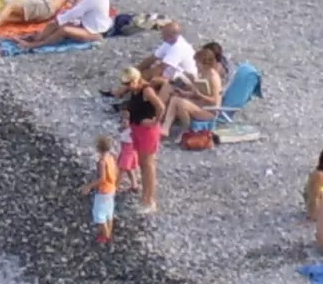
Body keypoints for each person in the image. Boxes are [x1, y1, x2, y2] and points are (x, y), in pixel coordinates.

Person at [16, 0, 114, 52]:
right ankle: (36, 38)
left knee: (64, 29)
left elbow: (78, 11)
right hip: (89, 25)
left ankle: (38, 44)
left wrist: (61, 18)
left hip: (95, 32)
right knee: (57, 24)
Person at [120, 67, 165, 212]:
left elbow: (160, 106)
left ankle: (149, 200)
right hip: (137, 129)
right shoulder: (135, 91)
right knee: (142, 164)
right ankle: (145, 198)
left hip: (147, 131)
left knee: (148, 165)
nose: (127, 87)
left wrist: (154, 121)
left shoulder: (146, 90)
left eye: (128, 83)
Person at [159, 44, 224, 136]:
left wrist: (198, 95)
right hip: (201, 104)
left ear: (204, 63)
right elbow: (199, 93)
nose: (196, 66)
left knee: (179, 102)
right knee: (175, 98)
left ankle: (177, 129)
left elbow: (215, 101)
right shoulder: (204, 74)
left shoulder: (213, 77)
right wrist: (185, 94)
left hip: (210, 110)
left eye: (198, 64)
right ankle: (169, 128)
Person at [84, 135, 119, 244]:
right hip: (111, 188)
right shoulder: (111, 157)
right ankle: (108, 232)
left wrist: (88, 186)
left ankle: (106, 236)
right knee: (109, 212)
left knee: (99, 214)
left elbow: (102, 178)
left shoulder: (101, 162)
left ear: (99, 148)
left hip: (104, 190)